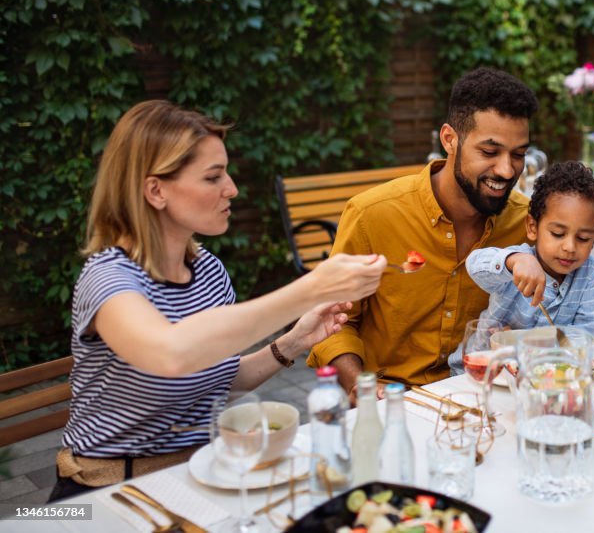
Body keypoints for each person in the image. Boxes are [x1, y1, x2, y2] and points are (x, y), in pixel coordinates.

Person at [52, 101, 385, 501]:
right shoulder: (109, 277)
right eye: (213, 177)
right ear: (155, 190)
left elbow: (219, 377)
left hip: (206, 475)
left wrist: (296, 339)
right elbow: (172, 354)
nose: (232, 189)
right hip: (109, 491)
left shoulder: (208, 271)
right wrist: (312, 288)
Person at [307, 67, 539, 400]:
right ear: (449, 140)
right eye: (489, 152)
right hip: (390, 404)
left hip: (485, 399)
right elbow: (333, 322)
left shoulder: (526, 223)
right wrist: (360, 385)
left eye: (518, 155)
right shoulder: (372, 215)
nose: (506, 170)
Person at [448, 160, 594, 373]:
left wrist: (526, 343)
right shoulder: (518, 261)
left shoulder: (591, 273)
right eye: (558, 234)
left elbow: (586, 337)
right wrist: (513, 261)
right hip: (483, 370)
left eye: (583, 238)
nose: (570, 247)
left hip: (546, 377)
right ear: (533, 227)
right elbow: (475, 264)